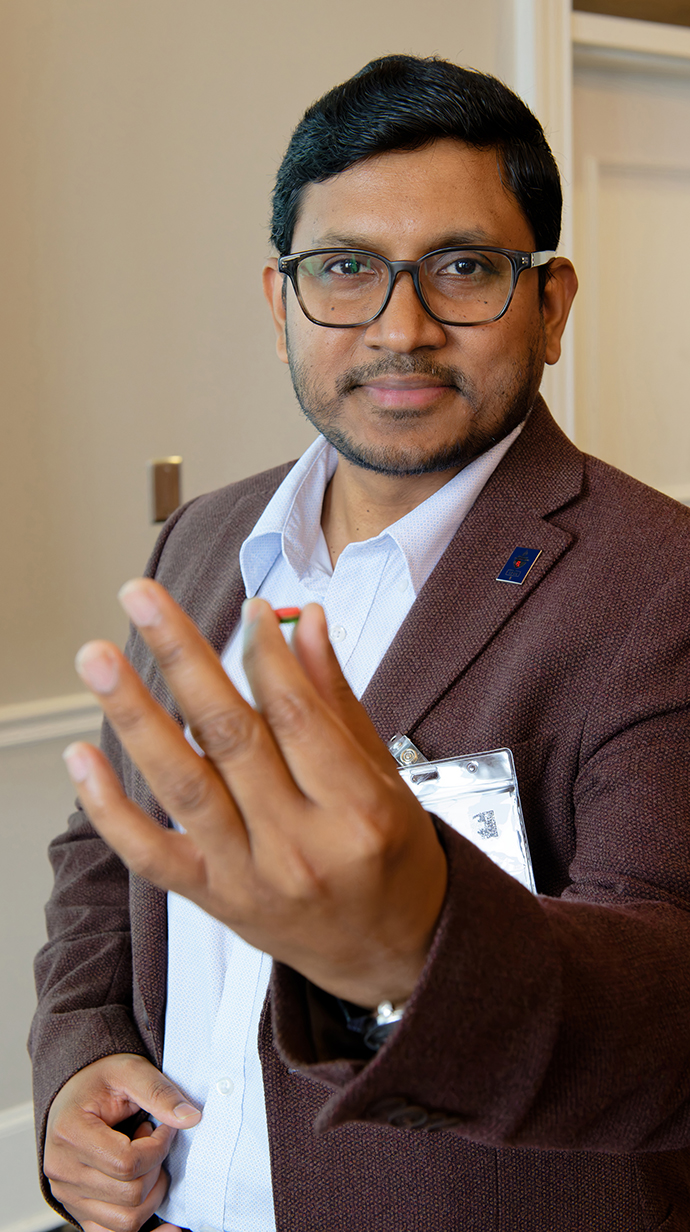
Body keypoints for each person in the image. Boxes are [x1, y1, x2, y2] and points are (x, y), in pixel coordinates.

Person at [30, 54, 690, 1232]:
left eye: (465, 267)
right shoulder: (204, 538)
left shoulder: (663, 584)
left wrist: (417, 951)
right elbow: (105, 850)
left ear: (551, 304)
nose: (402, 326)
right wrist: (78, 1065)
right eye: (346, 269)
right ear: (283, 301)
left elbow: (667, 1003)